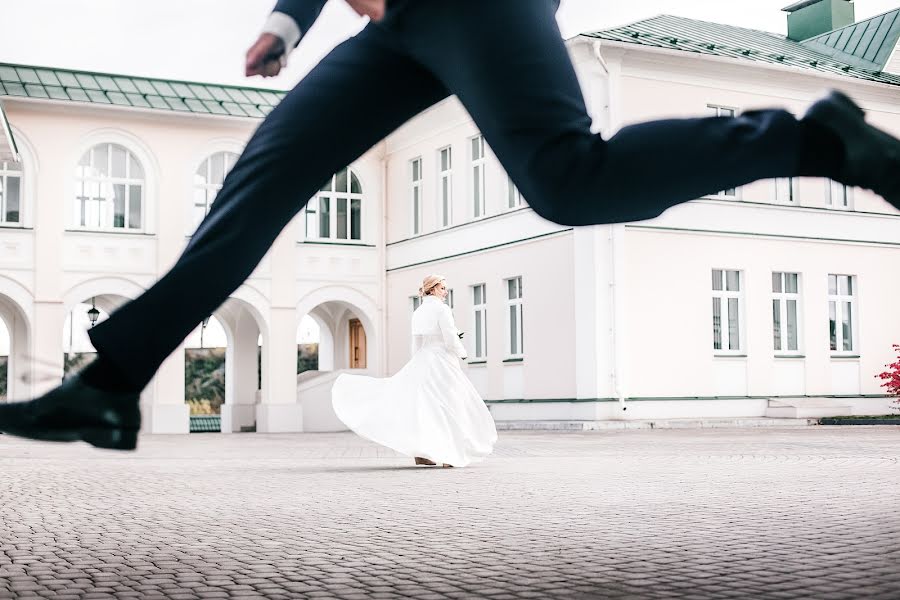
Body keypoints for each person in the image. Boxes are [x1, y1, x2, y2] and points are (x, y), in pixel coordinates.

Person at [0, 0, 898, 449]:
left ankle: (810, 139)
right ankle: (114, 385)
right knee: (261, 182)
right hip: (399, 30)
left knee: (566, 182)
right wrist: (288, 19)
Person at [332, 275, 496, 468]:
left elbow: (416, 342)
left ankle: (422, 453)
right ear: (433, 289)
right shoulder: (442, 309)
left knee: (423, 407)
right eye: (442, 288)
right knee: (450, 404)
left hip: (423, 360)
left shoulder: (418, 312)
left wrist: (416, 363)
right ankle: (450, 455)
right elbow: (450, 337)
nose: (445, 292)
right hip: (442, 361)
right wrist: (462, 352)